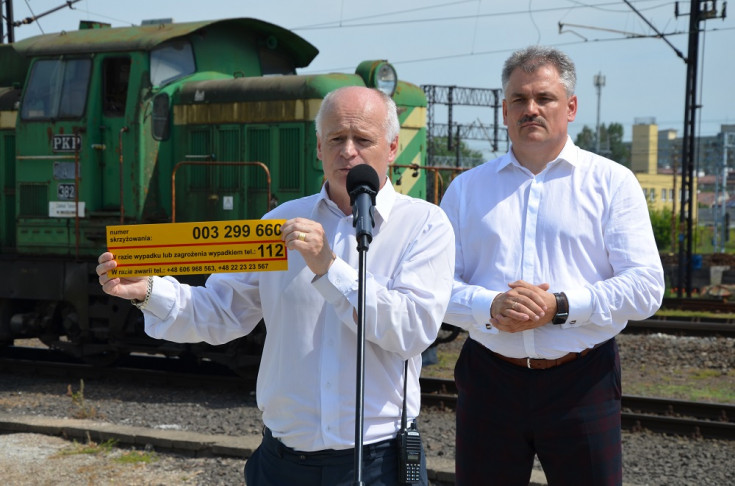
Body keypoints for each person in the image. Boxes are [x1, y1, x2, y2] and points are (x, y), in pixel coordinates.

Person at [96, 86, 454, 485]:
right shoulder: (280, 223)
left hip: (378, 463)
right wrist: (146, 291)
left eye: (363, 139)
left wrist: (330, 268)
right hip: (283, 463)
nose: (348, 151)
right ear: (319, 148)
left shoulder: (425, 226)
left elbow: (411, 330)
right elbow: (222, 311)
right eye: (336, 138)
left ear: (391, 149)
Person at [440, 46, 664, 486]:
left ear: (572, 107)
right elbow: (434, 287)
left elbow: (646, 287)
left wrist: (559, 306)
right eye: (519, 100)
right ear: (504, 111)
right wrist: (492, 306)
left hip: (582, 381)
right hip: (489, 379)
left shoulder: (612, 183)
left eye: (545, 97)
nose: (531, 109)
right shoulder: (466, 190)